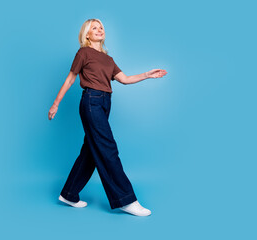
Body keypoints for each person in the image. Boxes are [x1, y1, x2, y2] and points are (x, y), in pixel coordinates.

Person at [48, 18, 167, 217]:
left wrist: (147, 74)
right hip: (91, 102)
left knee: (91, 151)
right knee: (108, 148)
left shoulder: (109, 59)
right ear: (87, 34)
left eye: (101, 27)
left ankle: (69, 194)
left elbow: (125, 79)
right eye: (94, 28)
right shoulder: (83, 53)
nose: (99, 30)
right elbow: (70, 79)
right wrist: (55, 103)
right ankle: (126, 200)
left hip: (104, 103)